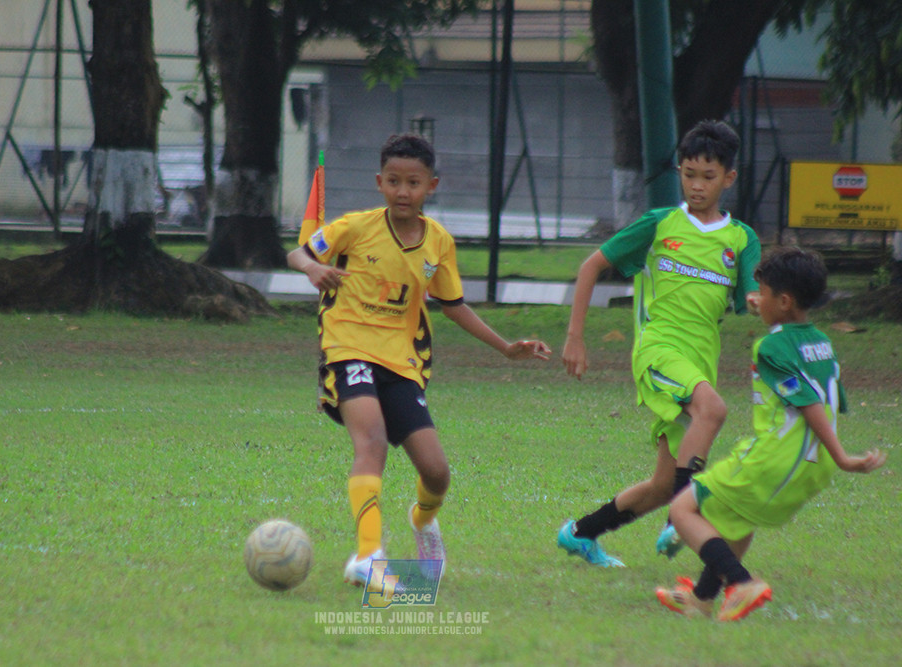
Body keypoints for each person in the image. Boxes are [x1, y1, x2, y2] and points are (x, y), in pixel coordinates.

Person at [287, 133, 551, 586]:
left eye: (413, 182)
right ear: (379, 182)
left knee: (436, 471)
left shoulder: (438, 243)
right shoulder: (355, 226)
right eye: (393, 181)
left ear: (432, 185)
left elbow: (454, 306)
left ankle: (423, 520)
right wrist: (312, 267)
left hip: (402, 362)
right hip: (348, 348)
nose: (402, 191)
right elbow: (300, 251)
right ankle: (369, 557)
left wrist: (506, 347)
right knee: (369, 443)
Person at [557, 119, 761, 567]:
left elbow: (752, 292)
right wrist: (575, 337)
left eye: (708, 177)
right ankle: (681, 516)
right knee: (714, 409)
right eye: (688, 174)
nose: (696, 185)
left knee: (662, 483)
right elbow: (591, 265)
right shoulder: (660, 223)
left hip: (699, 361)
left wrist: (759, 299)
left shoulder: (740, 238)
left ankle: (580, 533)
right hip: (658, 352)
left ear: (729, 178)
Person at [655, 246, 886, 621]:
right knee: (739, 520)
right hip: (813, 463)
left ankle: (741, 582)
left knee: (683, 509)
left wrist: (845, 456)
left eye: (761, 294)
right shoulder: (821, 343)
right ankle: (701, 599)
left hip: (778, 454)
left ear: (783, 301)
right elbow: (832, 398)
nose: (755, 300)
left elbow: (809, 403)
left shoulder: (772, 346)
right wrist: (836, 457)